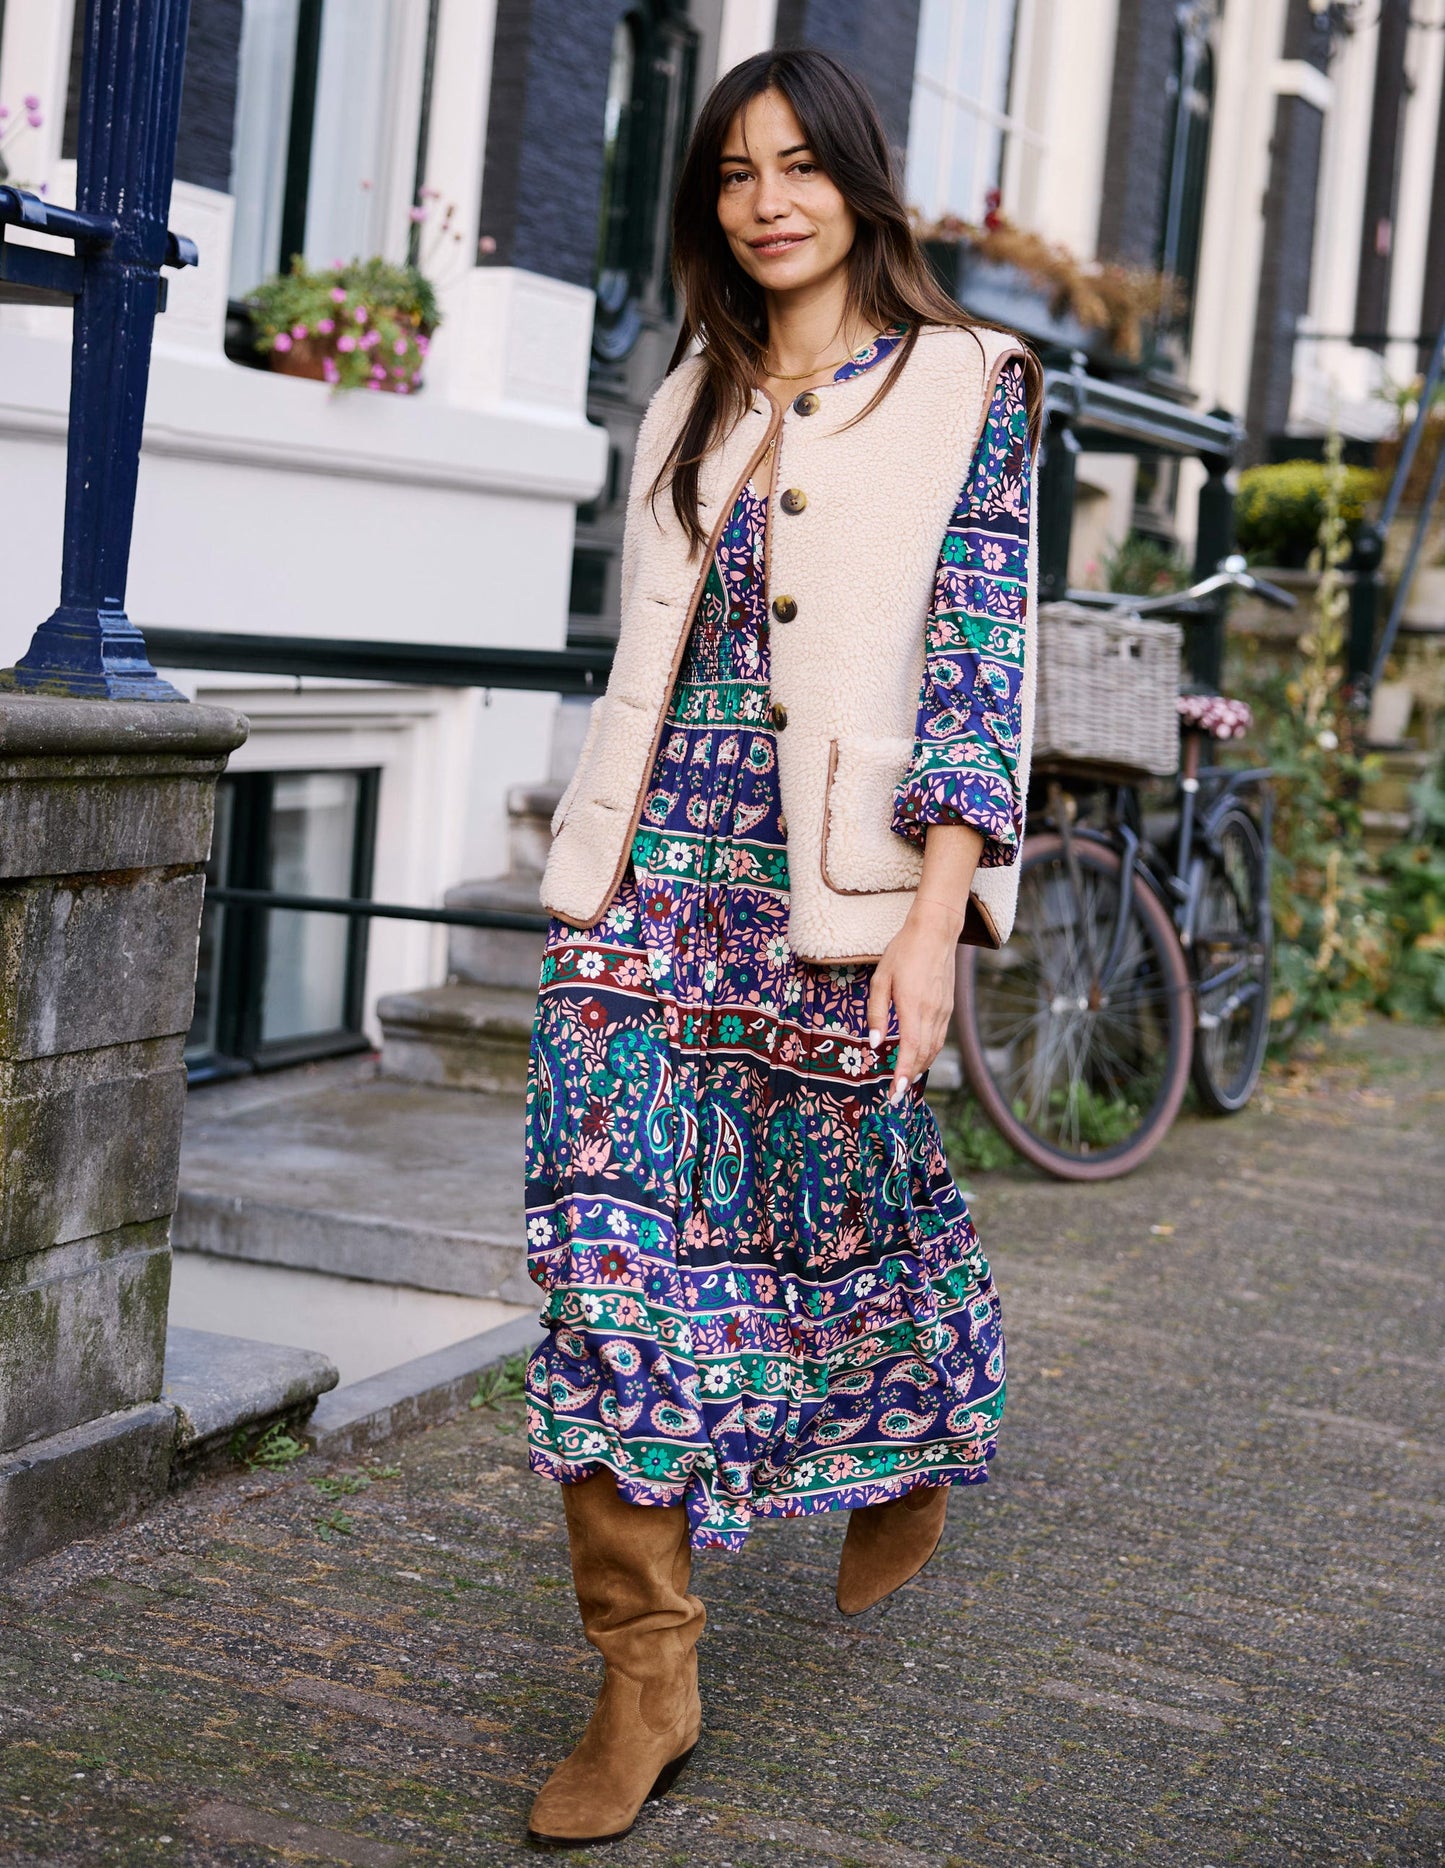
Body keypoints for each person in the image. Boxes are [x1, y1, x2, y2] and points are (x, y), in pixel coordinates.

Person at [520, 46, 1043, 1851]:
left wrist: (934, 923)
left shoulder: (974, 384)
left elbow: (979, 659)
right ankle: (643, 1673)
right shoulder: (682, 394)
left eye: (801, 165)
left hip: (829, 896)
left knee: (846, 1224)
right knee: (603, 1263)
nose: (766, 199)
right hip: (646, 895)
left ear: (859, 184)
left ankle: (896, 1446)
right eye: (735, 170)